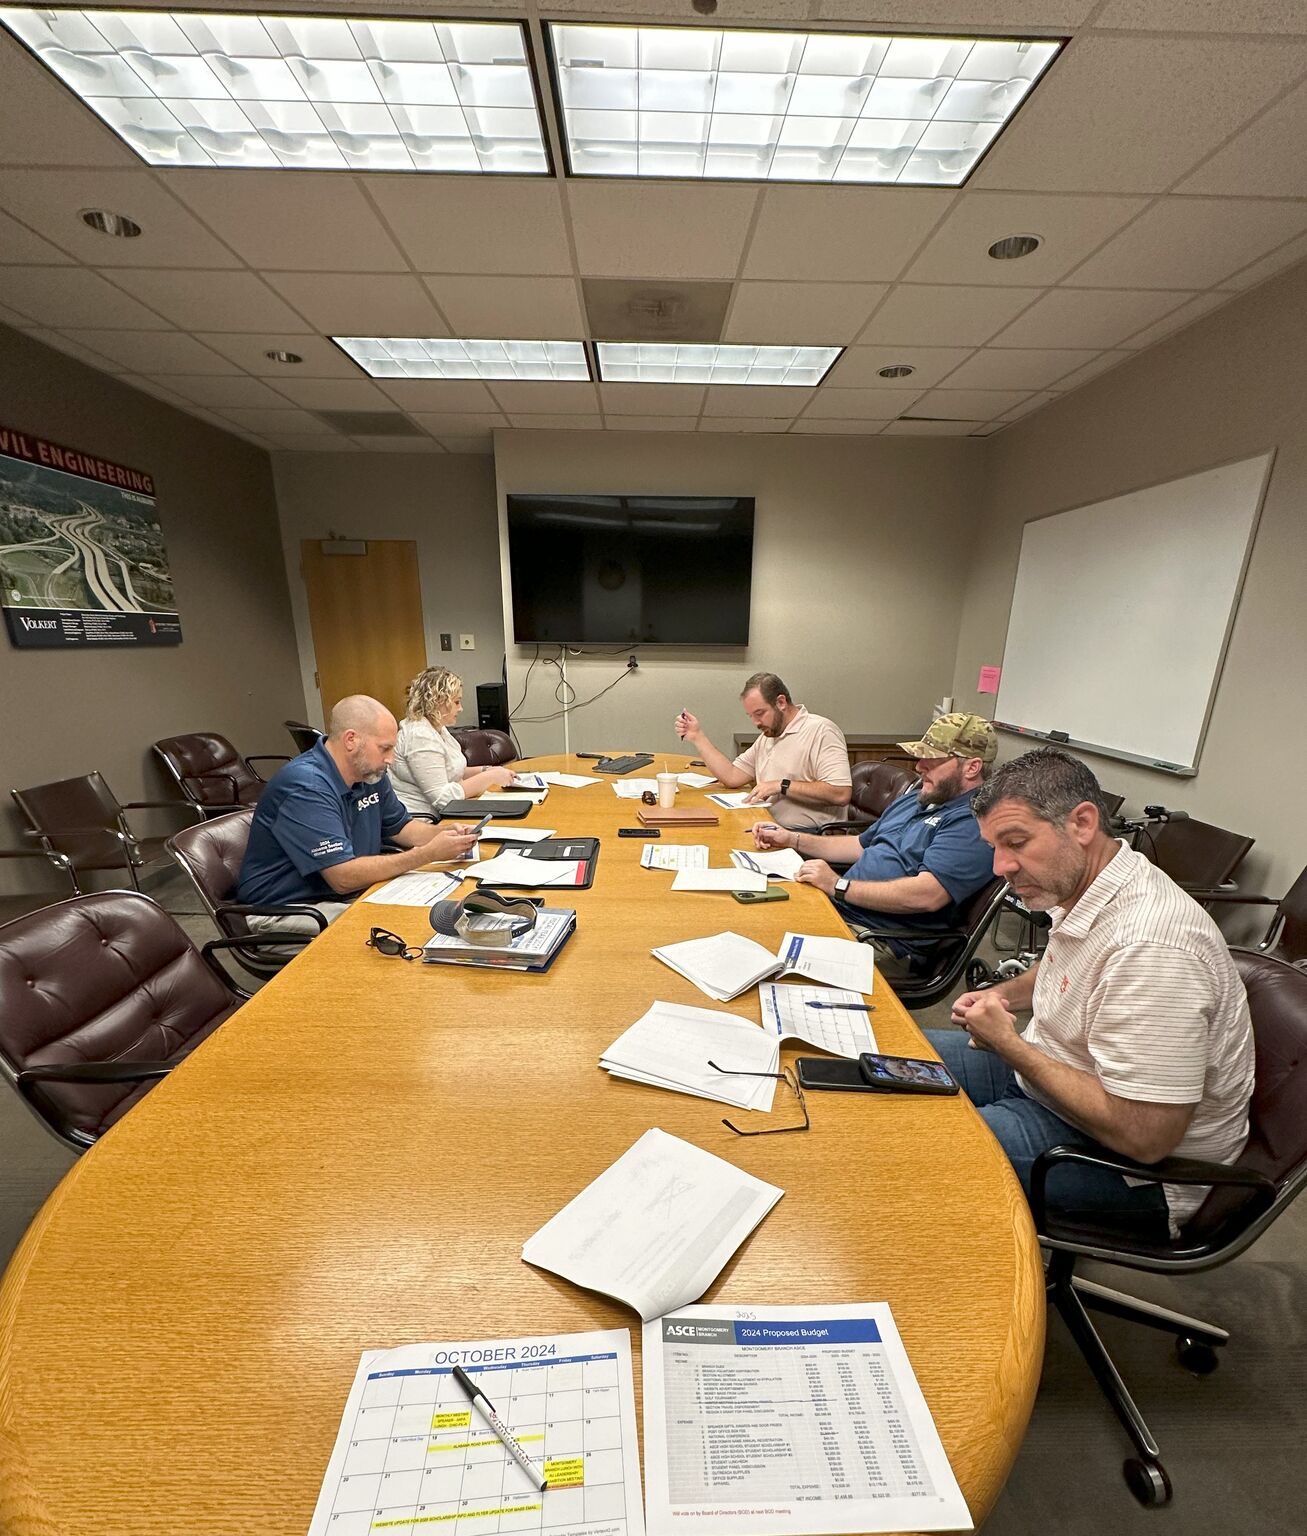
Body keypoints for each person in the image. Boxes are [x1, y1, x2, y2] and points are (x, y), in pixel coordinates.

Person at [924, 748, 1254, 1239]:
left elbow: (1145, 1137)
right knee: (901, 1061)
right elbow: (1066, 967)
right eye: (994, 845)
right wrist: (1004, 997)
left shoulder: (1153, 948)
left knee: (921, 1150)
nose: (1000, 867)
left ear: (1082, 822)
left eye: (1015, 842)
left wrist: (1009, 1043)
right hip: (1056, 1080)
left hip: (1135, 1167)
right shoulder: (1091, 882)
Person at [752, 712, 997, 974]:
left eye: (932, 760)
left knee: (765, 955)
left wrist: (837, 884)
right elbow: (859, 846)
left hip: (882, 940)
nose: (919, 767)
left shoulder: (973, 822)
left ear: (972, 767)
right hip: (842, 912)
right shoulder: (921, 797)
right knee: (754, 922)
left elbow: (927, 895)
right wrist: (792, 838)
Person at [238, 694, 478, 938]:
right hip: (288, 909)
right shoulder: (306, 786)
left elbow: (401, 828)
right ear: (351, 740)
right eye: (384, 748)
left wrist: (445, 835)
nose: (391, 759)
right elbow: (342, 877)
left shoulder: (369, 772)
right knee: (397, 932)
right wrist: (426, 854)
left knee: (432, 913)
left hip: (341, 895)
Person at [674, 672, 851, 830]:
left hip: (806, 836)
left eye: (760, 713)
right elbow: (732, 776)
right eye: (751, 716)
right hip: (766, 825)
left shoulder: (821, 731)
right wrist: (697, 736)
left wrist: (781, 785)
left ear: (781, 702)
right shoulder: (769, 735)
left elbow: (840, 792)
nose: (756, 723)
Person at [390, 666, 517, 816]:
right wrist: (490, 777)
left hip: (444, 813)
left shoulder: (437, 728)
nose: (461, 708)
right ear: (437, 702)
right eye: (456, 702)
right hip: (423, 820)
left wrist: (487, 770)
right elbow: (443, 799)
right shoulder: (419, 736)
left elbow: (452, 771)